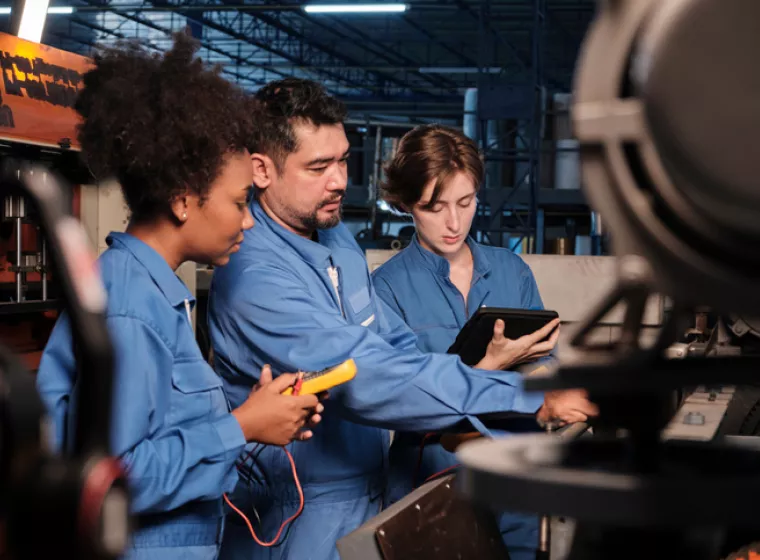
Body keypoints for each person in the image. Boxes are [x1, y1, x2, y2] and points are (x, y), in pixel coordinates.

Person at [207, 77, 596, 560]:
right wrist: (523, 396)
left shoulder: (334, 240)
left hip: (366, 494)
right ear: (261, 169)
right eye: (318, 166)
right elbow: (367, 374)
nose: (339, 181)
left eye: (343, 159)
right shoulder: (255, 276)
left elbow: (397, 348)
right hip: (299, 511)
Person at [34, 34, 323, 560]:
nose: (247, 220)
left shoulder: (147, 291)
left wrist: (256, 415)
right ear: (184, 200)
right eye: (239, 202)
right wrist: (242, 427)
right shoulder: (129, 308)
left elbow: (159, 429)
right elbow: (114, 480)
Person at [371, 123, 584, 559]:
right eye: (435, 206)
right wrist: (492, 365)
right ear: (406, 203)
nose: (454, 222)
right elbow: (402, 401)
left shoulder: (511, 271)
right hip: (431, 488)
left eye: (465, 203)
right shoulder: (384, 289)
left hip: (516, 484)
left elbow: (547, 372)